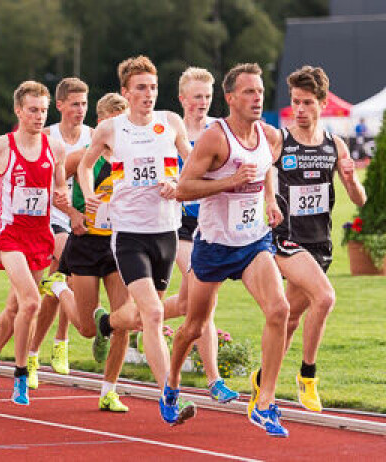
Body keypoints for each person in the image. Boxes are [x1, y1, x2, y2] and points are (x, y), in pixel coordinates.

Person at [170, 63, 291, 437]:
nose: (257, 98)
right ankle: (171, 383)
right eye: (249, 92)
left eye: (260, 92)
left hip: (253, 241)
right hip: (214, 245)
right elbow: (183, 188)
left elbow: (266, 167)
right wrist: (227, 183)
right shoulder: (214, 138)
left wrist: (270, 200)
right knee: (192, 325)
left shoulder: (269, 135)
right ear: (231, 98)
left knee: (280, 309)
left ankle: (265, 402)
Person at [78, 56, 194, 425]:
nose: (148, 94)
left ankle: (108, 324)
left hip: (166, 232)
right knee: (155, 315)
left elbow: (192, 165)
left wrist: (177, 185)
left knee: (142, 315)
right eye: (140, 88)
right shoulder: (111, 129)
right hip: (128, 234)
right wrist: (89, 193)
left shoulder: (170, 123)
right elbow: (83, 165)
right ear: (126, 93)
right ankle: (168, 397)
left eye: (153, 87)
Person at [0, 81, 69, 405]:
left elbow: (58, 189)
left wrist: (66, 203)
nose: (39, 116)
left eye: (43, 110)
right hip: (9, 236)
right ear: (19, 111)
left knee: (14, 308)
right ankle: (21, 375)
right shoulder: (0, 145)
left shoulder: (55, 148)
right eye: (33, 110)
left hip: (40, 236)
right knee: (32, 302)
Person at [274, 66, 366, 412]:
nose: (299, 109)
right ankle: (307, 376)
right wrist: (268, 202)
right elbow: (262, 178)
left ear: (323, 104)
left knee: (290, 316)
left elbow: (359, 200)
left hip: (320, 243)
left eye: (307, 102)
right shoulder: (279, 141)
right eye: (295, 102)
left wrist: (352, 180)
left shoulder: (335, 145)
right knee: (325, 299)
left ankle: (262, 377)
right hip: (287, 240)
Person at [41, 93, 133, 412]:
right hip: (85, 243)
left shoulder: (132, 158)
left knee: (123, 318)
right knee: (87, 328)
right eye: (111, 122)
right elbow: (53, 191)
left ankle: (109, 390)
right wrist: (74, 215)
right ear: (100, 124)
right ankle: (57, 286)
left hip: (119, 245)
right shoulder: (80, 157)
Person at [168, 67, 240, 403]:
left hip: (213, 226)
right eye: (197, 96)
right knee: (203, 303)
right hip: (179, 227)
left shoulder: (220, 131)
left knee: (186, 304)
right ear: (182, 98)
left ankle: (127, 320)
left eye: (207, 97)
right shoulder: (169, 131)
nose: (202, 102)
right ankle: (214, 381)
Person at [29, 77, 91, 384]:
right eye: (74, 104)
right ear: (60, 105)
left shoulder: (93, 137)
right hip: (49, 216)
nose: (80, 110)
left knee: (57, 288)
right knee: (71, 271)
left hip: (82, 219)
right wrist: (70, 210)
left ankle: (44, 349)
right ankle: (51, 347)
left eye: (84, 104)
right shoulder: (47, 136)